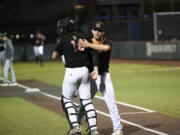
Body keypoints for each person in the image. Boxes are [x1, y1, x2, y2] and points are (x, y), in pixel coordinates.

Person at [52, 17, 99, 135]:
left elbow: (54, 56)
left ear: (66, 27)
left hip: (72, 72)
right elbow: (93, 52)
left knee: (66, 100)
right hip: (85, 72)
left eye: (62, 27)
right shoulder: (85, 36)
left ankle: (75, 127)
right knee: (87, 101)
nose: (60, 29)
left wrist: (63, 50)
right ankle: (94, 129)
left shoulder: (64, 39)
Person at [78, 21, 123, 135]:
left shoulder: (108, 42)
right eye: (95, 30)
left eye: (100, 30)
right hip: (90, 78)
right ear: (92, 31)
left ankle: (118, 128)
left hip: (105, 77)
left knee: (111, 103)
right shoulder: (86, 42)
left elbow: (105, 48)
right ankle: (76, 126)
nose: (97, 32)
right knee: (84, 102)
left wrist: (89, 45)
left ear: (103, 32)